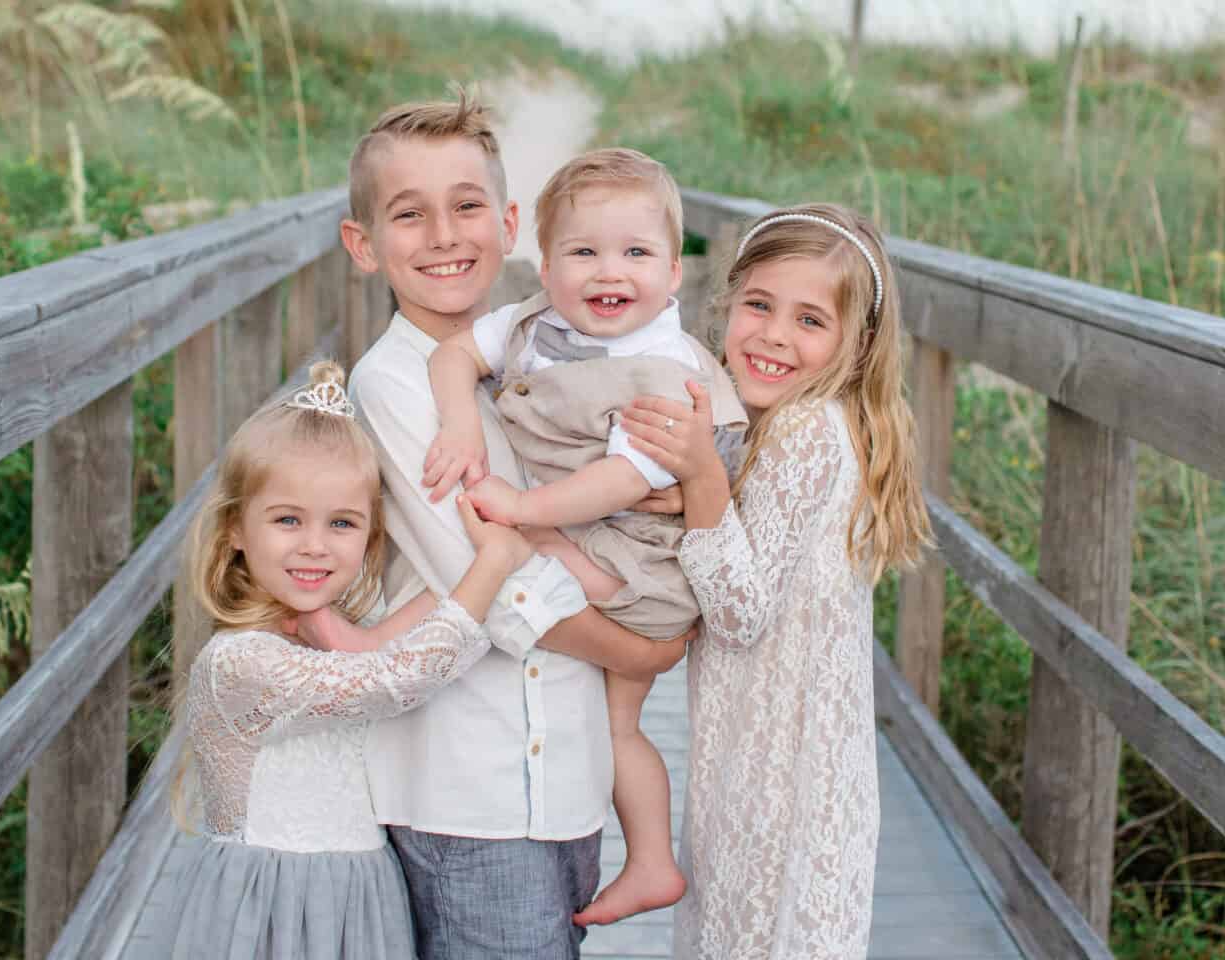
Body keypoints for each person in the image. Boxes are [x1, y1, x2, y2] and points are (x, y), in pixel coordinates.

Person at [335, 94, 690, 958]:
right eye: (408, 215)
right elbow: (496, 591)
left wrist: (671, 486)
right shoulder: (394, 384)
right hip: (470, 785)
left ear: (508, 222)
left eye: (465, 206)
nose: (444, 236)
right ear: (364, 245)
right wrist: (645, 653)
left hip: (565, 771)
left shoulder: (549, 342)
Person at [421, 147, 746, 925]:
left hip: (639, 559)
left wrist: (525, 512)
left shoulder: (663, 369)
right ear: (545, 262)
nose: (609, 272)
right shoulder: (533, 321)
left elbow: (625, 482)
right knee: (617, 722)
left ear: (675, 273)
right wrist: (464, 420)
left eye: (636, 253)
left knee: (613, 707)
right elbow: (452, 352)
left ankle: (650, 857)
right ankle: (653, 862)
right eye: (583, 252)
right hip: (591, 534)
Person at [617, 204, 933, 959]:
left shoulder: (803, 432)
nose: (774, 336)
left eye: (810, 321)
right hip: (772, 765)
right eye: (758, 305)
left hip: (782, 785)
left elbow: (739, 612)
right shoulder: (790, 423)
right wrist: (697, 487)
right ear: (727, 304)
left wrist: (698, 478)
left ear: (856, 348)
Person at [150, 361, 537, 959]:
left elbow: (408, 633)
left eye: (341, 523)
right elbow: (396, 677)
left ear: (369, 537)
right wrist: (492, 565)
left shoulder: (337, 636)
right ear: (235, 530)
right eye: (286, 520)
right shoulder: (240, 662)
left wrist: (468, 560)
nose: (314, 544)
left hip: (357, 899)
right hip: (273, 905)